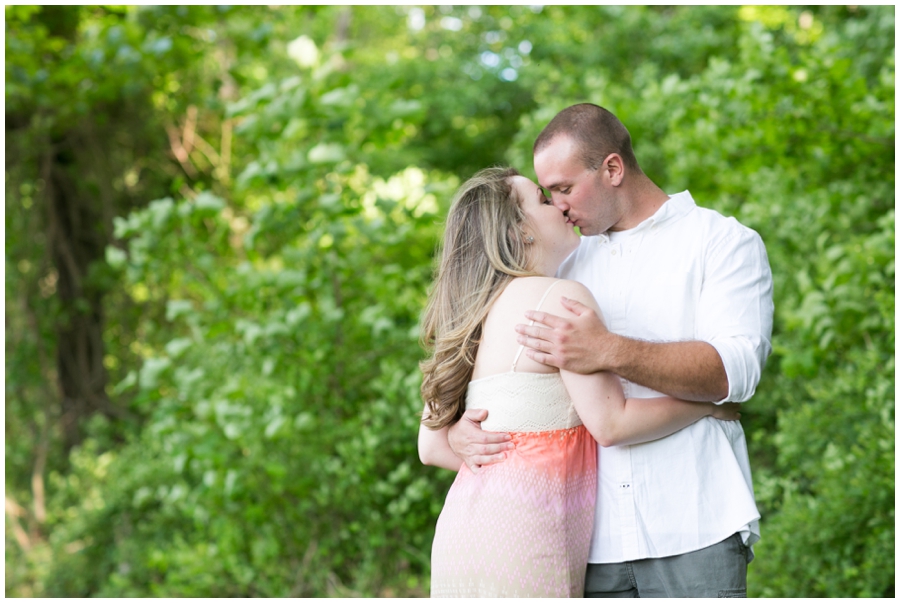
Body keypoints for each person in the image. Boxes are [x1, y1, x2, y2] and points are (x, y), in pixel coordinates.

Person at [447, 104, 775, 597]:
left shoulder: (721, 242)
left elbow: (736, 370)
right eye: (548, 194)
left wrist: (608, 349)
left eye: (564, 188)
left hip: (693, 523)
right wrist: (458, 432)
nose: (557, 206)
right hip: (585, 541)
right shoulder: (561, 263)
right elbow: (492, 364)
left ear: (613, 169)